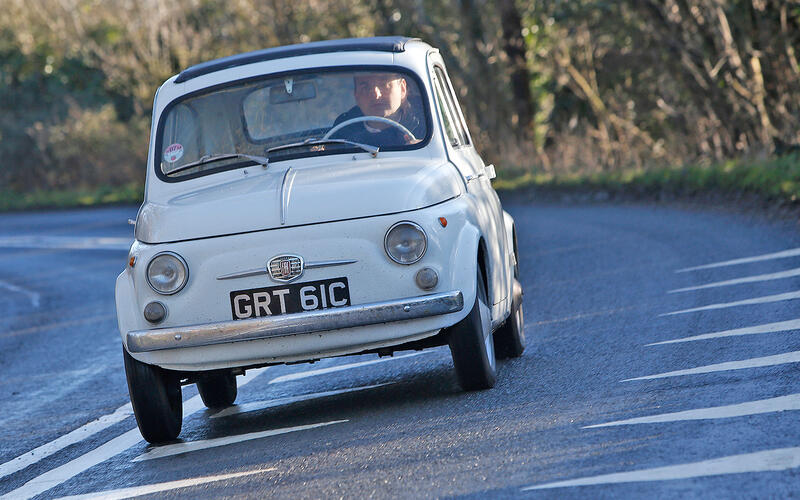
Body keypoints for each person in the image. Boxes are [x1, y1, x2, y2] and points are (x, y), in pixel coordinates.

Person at [331, 72, 424, 146]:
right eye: (365, 87)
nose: (376, 95)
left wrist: (422, 149)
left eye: (384, 84)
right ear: (356, 95)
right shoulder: (341, 133)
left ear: (402, 88)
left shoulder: (427, 126)